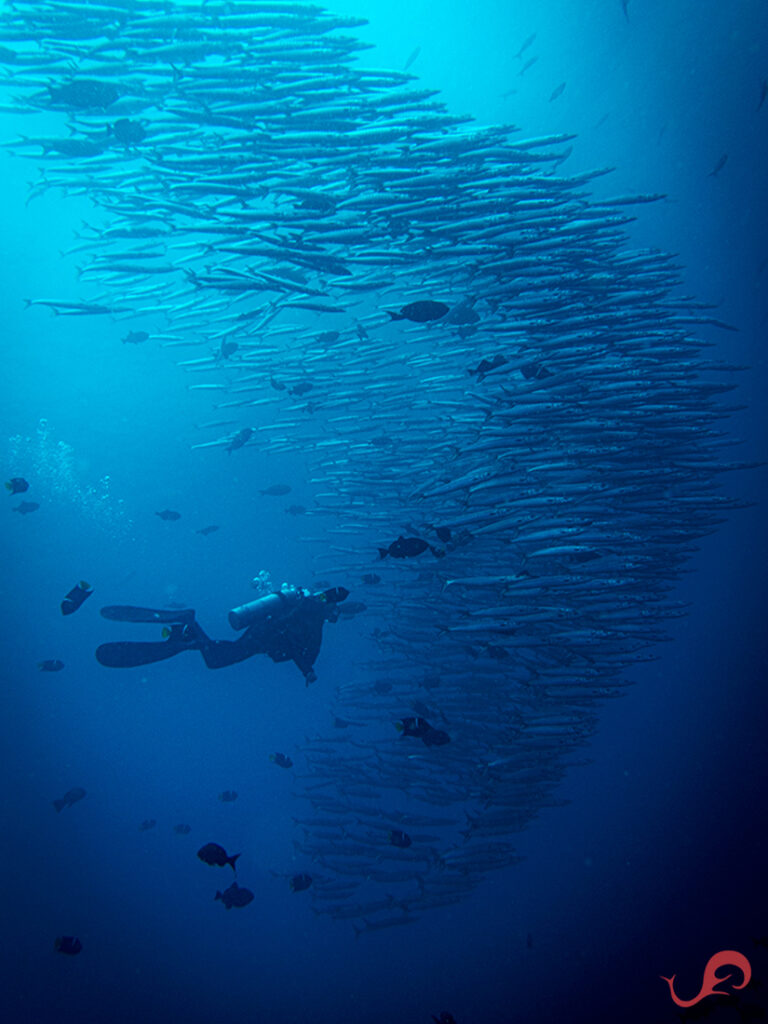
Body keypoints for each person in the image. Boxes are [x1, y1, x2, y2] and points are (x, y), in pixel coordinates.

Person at [95, 586, 349, 685]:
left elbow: (298, 649)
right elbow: (306, 647)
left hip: (263, 634)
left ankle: (186, 636)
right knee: (217, 660)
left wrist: (306, 671)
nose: (335, 617)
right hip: (263, 636)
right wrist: (308, 669)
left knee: (221, 654)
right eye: (335, 611)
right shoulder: (314, 616)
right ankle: (188, 624)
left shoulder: (310, 610)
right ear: (330, 607)